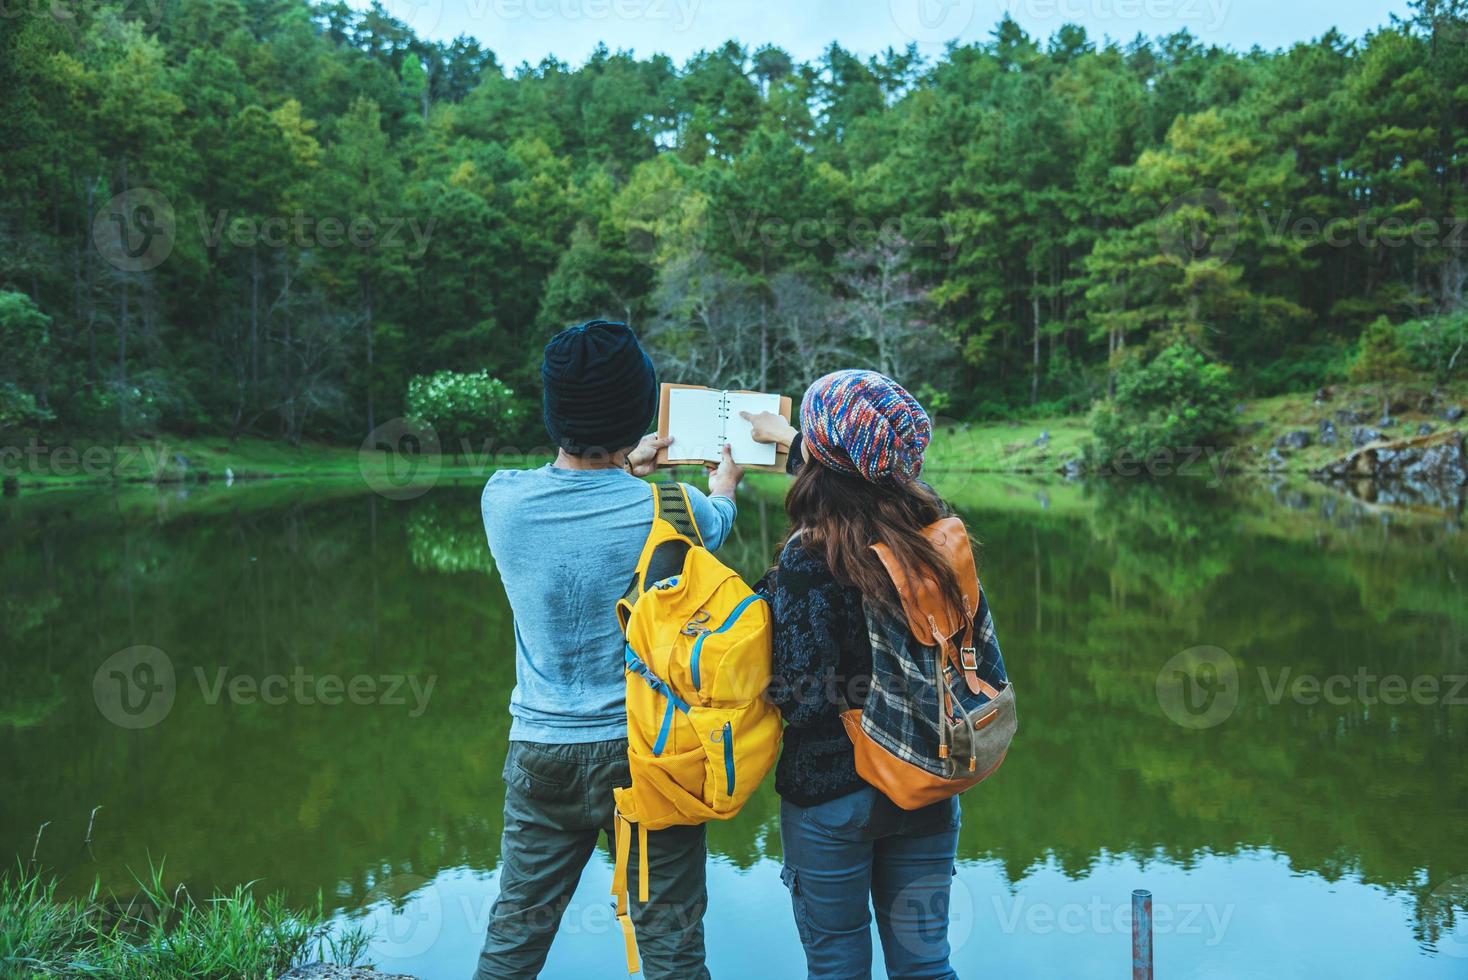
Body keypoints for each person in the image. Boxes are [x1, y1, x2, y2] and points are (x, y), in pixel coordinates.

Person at [475, 319, 744, 980]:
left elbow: (586, 495)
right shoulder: (673, 508)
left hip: (541, 752)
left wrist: (624, 464)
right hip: (649, 752)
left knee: (514, 936)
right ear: (639, 411)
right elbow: (718, 520)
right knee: (672, 944)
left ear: (553, 412)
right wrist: (727, 483)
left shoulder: (502, 501)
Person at [744, 370, 968, 980]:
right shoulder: (937, 540)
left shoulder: (808, 557)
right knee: (926, 967)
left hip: (833, 795)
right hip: (924, 778)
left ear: (820, 457)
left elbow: (796, 694)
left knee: (838, 967)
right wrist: (799, 441)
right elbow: (863, 480)